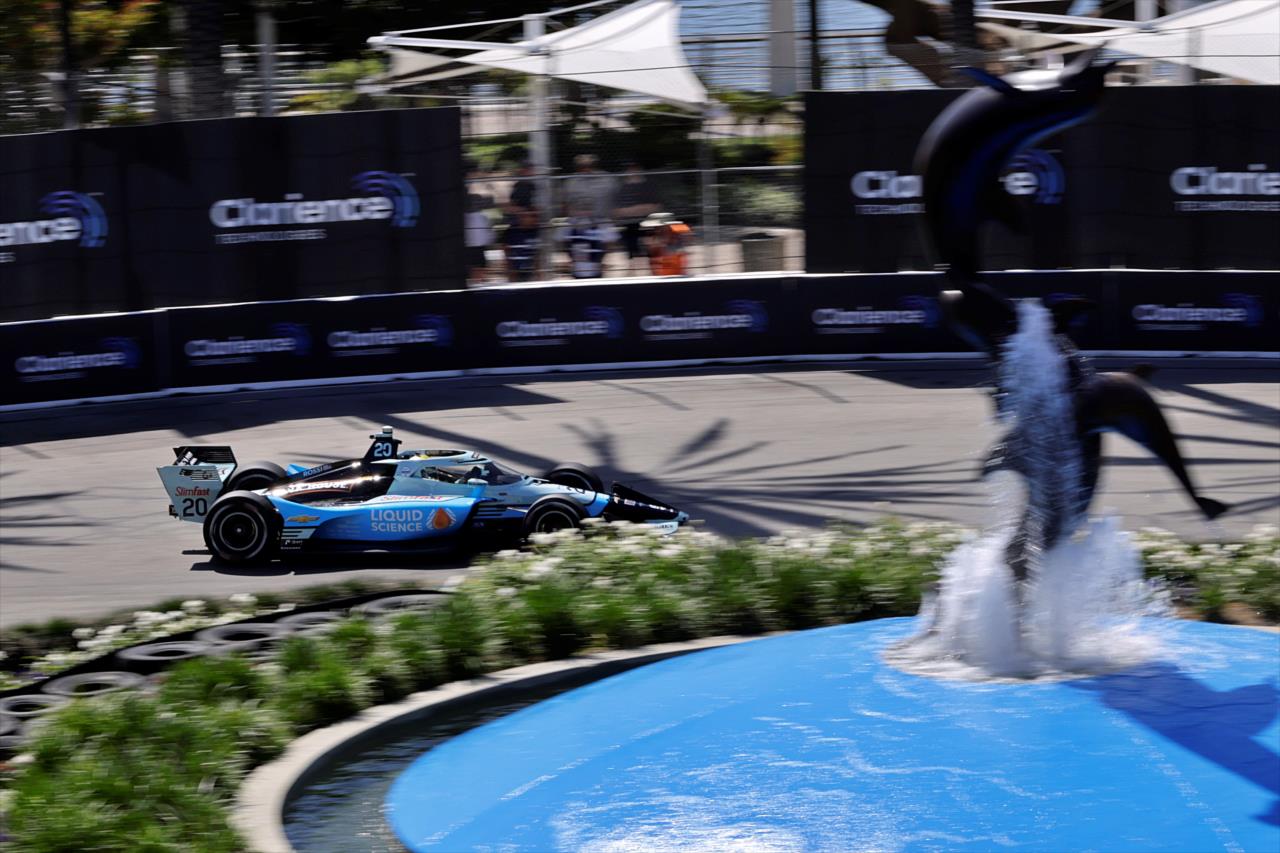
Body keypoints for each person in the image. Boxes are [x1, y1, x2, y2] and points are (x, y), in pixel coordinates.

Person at [613, 162, 661, 275]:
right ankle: (632, 274)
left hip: (648, 223)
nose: (633, 171)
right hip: (629, 225)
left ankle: (654, 273)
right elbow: (617, 212)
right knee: (631, 253)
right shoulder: (622, 188)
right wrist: (640, 209)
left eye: (635, 168)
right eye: (630, 169)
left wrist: (631, 210)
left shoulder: (649, 186)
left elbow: (655, 207)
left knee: (651, 248)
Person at [464, 193, 495, 285]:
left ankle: (478, 280)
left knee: (477, 266)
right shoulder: (482, 217)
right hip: (473, 248)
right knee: (476, 267)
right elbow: (490, 234)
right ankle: (477, 281)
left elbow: (489, 234)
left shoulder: (483, 217)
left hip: (476, 248)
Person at [503, 209, 540, 283]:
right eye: (532, 216)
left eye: (535, 216)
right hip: (516, 270)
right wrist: (510, 270)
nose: (535, 219)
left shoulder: (538, 231)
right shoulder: (512, 231)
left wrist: (537, 271)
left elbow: (539, 253)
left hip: (532, 271)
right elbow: (506, 250)